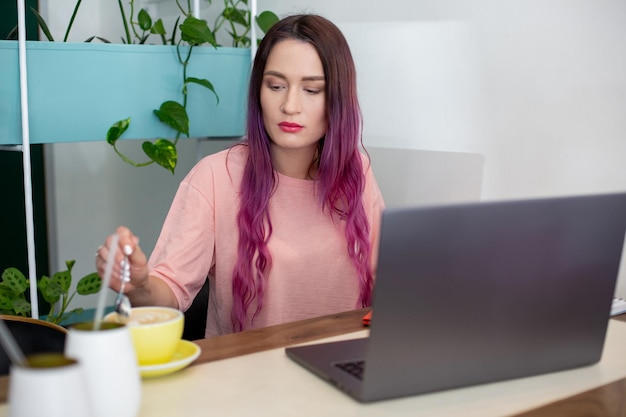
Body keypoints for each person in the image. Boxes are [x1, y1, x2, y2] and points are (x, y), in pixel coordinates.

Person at [95, 14, 385, 337]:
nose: (290, 105)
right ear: (258, 93)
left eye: (312, 90)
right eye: (275, 86)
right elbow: (167, 295)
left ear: (337, 101)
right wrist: (139, 284)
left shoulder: (357, 174)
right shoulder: (214, 179)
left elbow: (388, 285)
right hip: (247, 378)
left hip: (339, 371)